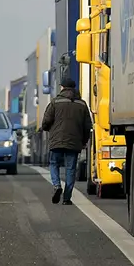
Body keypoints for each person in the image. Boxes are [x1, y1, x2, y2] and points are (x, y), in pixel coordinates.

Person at [40, 77, 92, 205]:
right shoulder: (82, 104)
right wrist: (84, 141)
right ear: (74, 88)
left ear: (62, 87)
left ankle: (57, 185)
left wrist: (46, 128)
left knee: (54, 164)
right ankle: (67, 198)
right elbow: (87, 126)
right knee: (71, 169)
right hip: (74, 142)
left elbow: (46, 121)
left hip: (57, 140)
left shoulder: (55, 102)